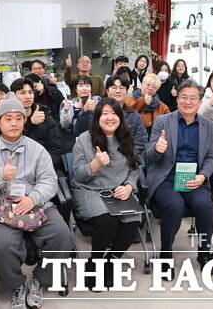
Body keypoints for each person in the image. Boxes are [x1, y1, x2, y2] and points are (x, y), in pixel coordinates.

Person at [0, 93, 74, 309]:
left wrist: (32, 198)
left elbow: (49, 181)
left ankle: (40, 279)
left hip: (36, 206)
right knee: (2, 244)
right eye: (8, 118)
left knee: (63, 235)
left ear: (24, 121)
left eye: (18, 118)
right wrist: (0, 175)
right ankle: (16, 285)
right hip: (0, 211)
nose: (14, 123)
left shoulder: (37, 149)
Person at [145, 80, 213, 278]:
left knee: (205, 206)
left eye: (193, 98)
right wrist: (156, 149)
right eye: (183, 97)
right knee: (174, 206)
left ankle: (204, 253)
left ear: (200, 101)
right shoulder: (163, 121)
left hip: (194, 178)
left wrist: (203, 176)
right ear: (177, 99)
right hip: (166, 177)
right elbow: (149, 155)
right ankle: (165, 254)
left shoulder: (208, 126)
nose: (188, 102)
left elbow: (212, 156)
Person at [71, 97, 141, 289]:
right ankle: (94, 263)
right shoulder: (84, 140)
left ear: (120, 117)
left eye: (114, 113)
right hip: (89, 190)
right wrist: (96, 164)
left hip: (119, 190)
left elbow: (135, 169)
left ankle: (110, 262)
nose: (110, 118)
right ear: (97, 118)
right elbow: (78, 174)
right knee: (107, 220)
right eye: (104, 114)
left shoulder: (126, 137)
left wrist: (128, 186)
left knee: (133, 221)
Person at [74, 75, 148, 156]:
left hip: (127, 160)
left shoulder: (134, 116)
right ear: (107, 91)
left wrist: (125, 159)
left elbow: (140, 143)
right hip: (99, 159)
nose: (118, 91)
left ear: (127, 92)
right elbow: (80, 133)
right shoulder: (95, 112)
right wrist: (85, 111)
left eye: (122, 88)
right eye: (114, 87)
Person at [125, 73, 170, 138]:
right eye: (148, 85)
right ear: (142, 84)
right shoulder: (129, 99)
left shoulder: (163, 107)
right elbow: (130, 114)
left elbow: (168, 125)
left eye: (154, 87)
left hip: (154, 140)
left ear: (157, 90)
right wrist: (142, 101)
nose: (150, 88)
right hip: (133, 137)